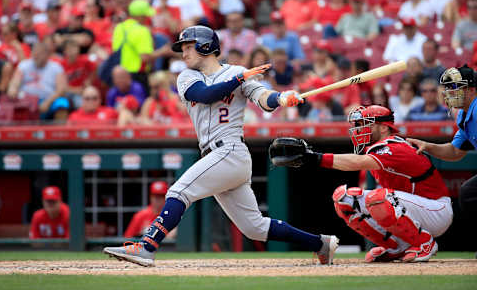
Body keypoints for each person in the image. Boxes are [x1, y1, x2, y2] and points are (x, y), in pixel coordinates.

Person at [103, 25, 339, 267]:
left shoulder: (238, 72)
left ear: (206, 46)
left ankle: (146, 246)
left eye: (188, 47)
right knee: (255, 228)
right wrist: (239, 79)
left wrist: (281, 97)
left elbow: (263, 99)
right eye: (182, 49)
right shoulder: (188, 76)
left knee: (178, 192)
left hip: (230, 151)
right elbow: (205, 94)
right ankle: (321, 243)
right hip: (218, 156)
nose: (183, 54)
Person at [269, 105, 452, 263]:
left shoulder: (394, 146)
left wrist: (315, 158)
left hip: (436, 209)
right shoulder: (377, 147)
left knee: (378, 198)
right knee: (344, 198)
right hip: (414, 209)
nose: (359, 129)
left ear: (382, 127)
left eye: (365, 124)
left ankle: (424, 243)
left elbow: (356, 162)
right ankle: (397, 246)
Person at [407, 65, 477, 255]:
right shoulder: (464, 114)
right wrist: (427, 146)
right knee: (469, 193)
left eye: (456, 87)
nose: (450, 92)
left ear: (471, 89)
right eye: (449, 87)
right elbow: (455, 151)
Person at [7, 42, 70, 120]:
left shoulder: (56, 67)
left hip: (48, 99)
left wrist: (48, 102)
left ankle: (60, 131)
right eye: (34, 53)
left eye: (39, 53)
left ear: (47, 54)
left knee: (62, 103)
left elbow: (61, 90)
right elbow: (15, 82)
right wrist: (12, 89)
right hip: (26, 100)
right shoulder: (24, 65)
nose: (36, 56)